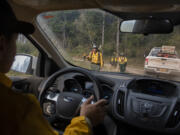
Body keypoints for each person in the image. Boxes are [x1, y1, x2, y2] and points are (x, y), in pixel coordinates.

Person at [0, 1, 107, 135]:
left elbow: (99, 60)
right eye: (15, 41)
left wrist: (100, 66)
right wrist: (86, 120)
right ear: (2, 46)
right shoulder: (19, 109)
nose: (15, 52)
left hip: (96, 66)